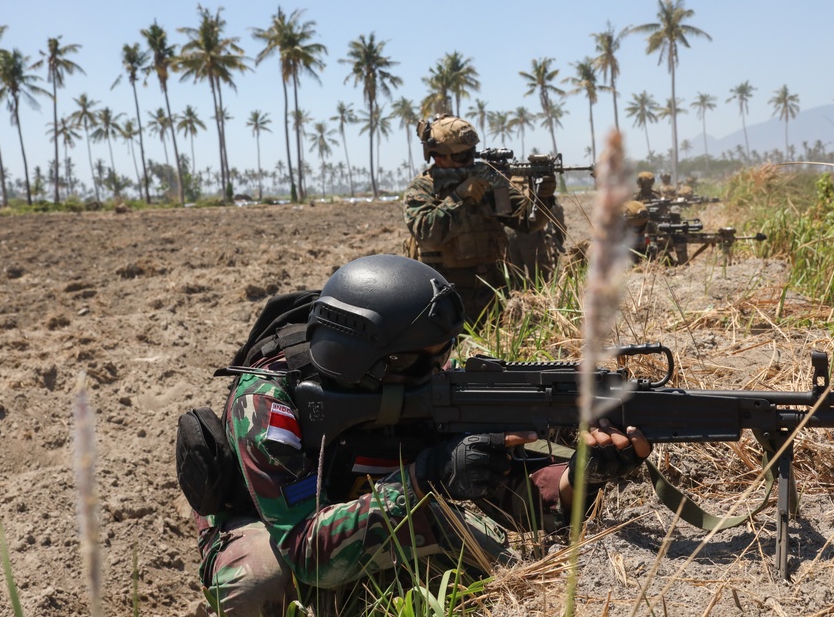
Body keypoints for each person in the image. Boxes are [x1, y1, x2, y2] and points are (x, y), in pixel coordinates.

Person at [191, 254, 651, 615]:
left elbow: (503, 491)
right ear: (377, 362)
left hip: (373, 503)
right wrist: (427, 476)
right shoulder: (268, 403)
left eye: (443, 355)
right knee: (258, 579)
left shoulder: (427, 385)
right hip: (275, 527)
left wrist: (577, 479)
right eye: (423, 360)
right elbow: (308, 555)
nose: (440, 370)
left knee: (493, 556)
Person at [403, 114, 558, 324]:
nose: (470, 161)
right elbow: (428, 234)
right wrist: (460, 197)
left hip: (493, 294)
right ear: (439, 157)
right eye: (461, 157)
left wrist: (542, 197)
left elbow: (527, 222)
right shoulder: (422, 189)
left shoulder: (487, 182)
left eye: (471, 154)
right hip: (445, 297)